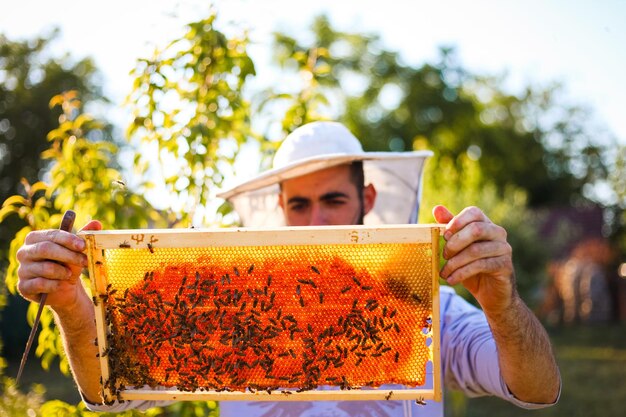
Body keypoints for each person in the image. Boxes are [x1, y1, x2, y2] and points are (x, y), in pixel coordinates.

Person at [16, 121, 560, 417]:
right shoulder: (221, 304)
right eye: (300, 205)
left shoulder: (428, 307)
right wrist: (72, 306)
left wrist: (501, 304)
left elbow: (536, 389)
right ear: (280, 207)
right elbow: (109, 391)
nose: (317, 220)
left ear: (366, 196)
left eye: (333, 200)